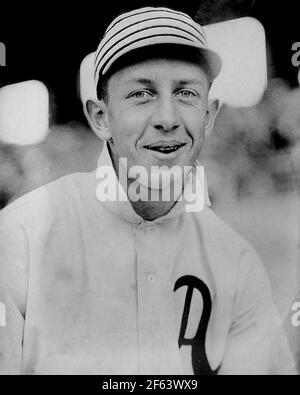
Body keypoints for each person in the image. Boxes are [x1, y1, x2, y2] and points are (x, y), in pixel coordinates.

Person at [0, 6, 296, 375]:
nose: (168, 119)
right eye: (142, 94)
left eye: (187, 93)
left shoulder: (235, 263)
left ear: (209, 114)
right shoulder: (21, 237)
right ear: (101, 117)